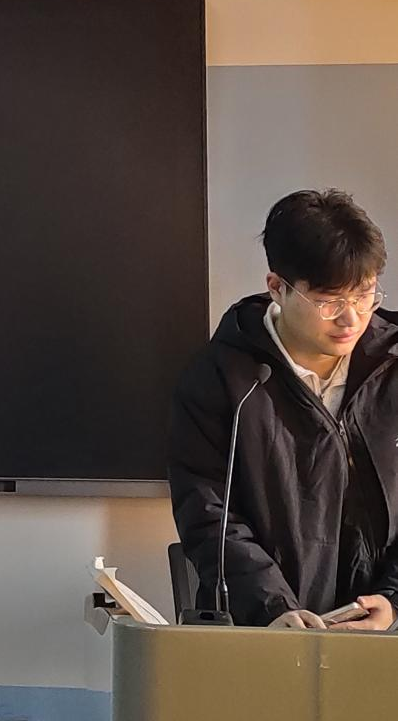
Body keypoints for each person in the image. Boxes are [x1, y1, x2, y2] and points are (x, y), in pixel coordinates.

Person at [170, 189, 398, 629]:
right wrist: (274, 609)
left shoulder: (392, 366)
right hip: (267, 631)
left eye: (364, 295)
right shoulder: (223, 380)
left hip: (384, 635)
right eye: (329, 301)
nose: (351, 318)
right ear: (277, 287)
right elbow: (210, 515)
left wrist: (393, 603)